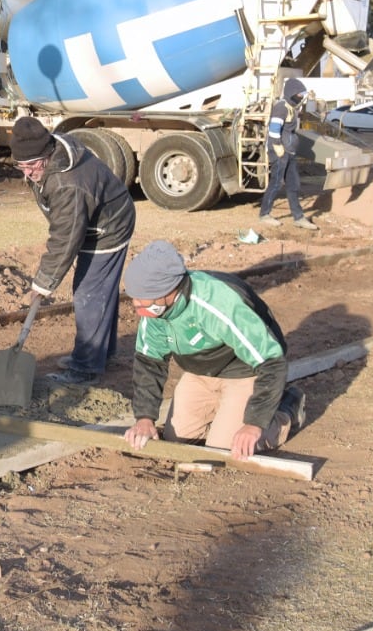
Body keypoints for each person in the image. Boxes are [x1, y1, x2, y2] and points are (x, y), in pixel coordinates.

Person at [120, 240, 306, 459]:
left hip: (245, 371)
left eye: (144, 300)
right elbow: (149, 364)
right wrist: (144, 418)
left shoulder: (217, 302)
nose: (138, 308)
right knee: (176, 440)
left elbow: (271, 360)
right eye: (135, 300)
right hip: (202, 372)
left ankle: (286, 409)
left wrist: (254, 423)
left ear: (169, 290)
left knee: (226, 449)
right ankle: (227, 413)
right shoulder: (152, 313)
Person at [10, 117, 136, 385]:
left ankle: (86, 367)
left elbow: (66, 237)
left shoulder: (68, 184)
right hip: (93, 219)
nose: (28, 173)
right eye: (21, 166)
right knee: (99, 289)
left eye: (32, 165)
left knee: (89, 293)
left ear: (46, 154)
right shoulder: (51, 154)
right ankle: (102, 353)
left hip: (108, 226)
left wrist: (44, 283)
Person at [259, 76, 318, 230]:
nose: (301, 97)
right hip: (279, 152)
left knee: (293, 184)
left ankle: (298, 217)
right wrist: (277, 146)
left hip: (289, 152)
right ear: (291, 93)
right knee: (276, 183)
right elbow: (274, 129)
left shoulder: (292, 108)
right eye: (299, 94)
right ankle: (264, 214)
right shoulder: (281, 107)